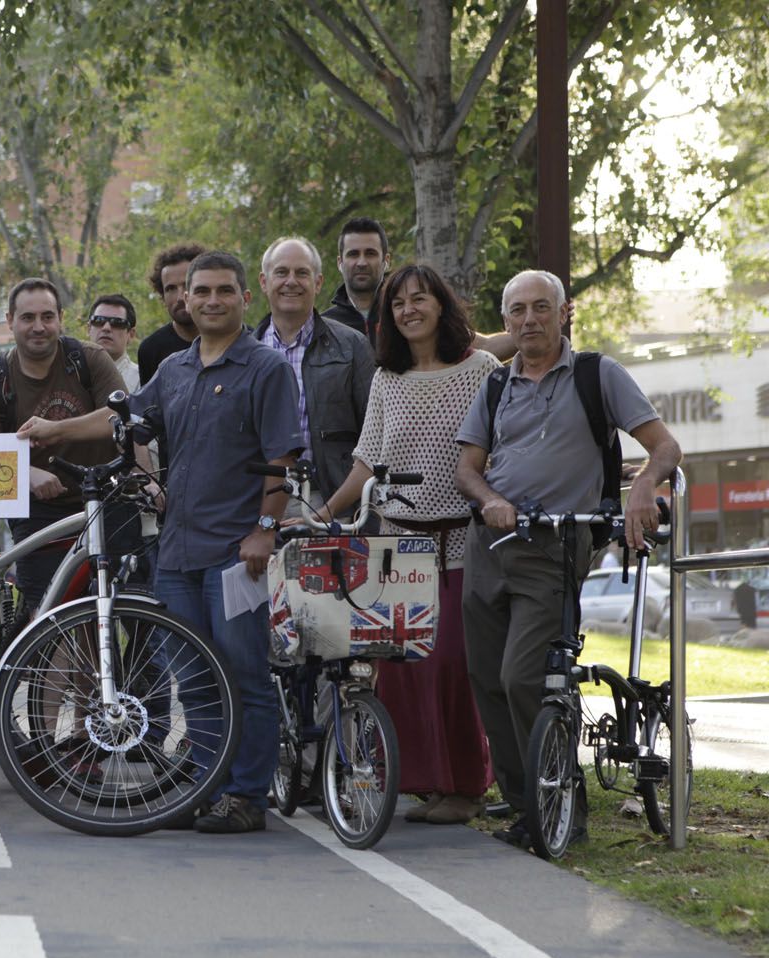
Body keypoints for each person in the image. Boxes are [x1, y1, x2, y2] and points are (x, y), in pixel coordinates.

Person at [19, 252, 302, 834]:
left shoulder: (266, 368)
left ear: (246, 298)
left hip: (235, 552)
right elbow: (120, 418)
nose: (211, 300)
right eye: (201, 291)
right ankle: (206, 784)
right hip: (176, 552)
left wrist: (265, 531)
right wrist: (54, 431)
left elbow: (283, 461)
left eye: (225, 290)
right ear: (186, 300)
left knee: (243, 673)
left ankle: (247, 795)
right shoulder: (173, 368)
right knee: (195, 678)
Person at [455, 269, 681, 847]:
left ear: (563, 313)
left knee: (523, 675)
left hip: (556, 546)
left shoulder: (596, 374)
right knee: (485, 678)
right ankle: (526, 801)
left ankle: (561, 806)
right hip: (489, 546)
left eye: (540, 308)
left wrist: (643, 485)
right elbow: (466, 470)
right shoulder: (496, 386)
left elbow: (664, 446)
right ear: (504, 322)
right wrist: (490, 500)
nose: (528, 320)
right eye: (516, 312)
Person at [318, 264, 499, 825]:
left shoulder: (482, 370)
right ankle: (422, 783)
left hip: (462, 540)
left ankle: (466, 788)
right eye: (398, 304)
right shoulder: (386, 378)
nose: (408, 310)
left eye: (419, 299)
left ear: (441, 305)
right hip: (397, 544)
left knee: (451, 664)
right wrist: (324, 514)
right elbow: (366, 462)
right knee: (400, 668)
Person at [0, 278, 140, 611]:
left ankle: (113, 665)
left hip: (106, 497)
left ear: (60, 318)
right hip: (39, 513)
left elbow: (121, 416)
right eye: (28, 318)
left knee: (122, 605)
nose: (38, 327)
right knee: (50, 611)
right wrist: (26, 473)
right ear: (10, 321)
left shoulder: (88, 358)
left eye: (47, 317)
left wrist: (56, 431)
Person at [254, 236, 374, 504]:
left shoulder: (352, 346)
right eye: (281, 272)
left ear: (318, 283)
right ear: (264, 282)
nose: (291, 281)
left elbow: (374, 434)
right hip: (256, 500)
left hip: (330, 498)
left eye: (302, 273)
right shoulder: (245, 352)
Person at [136, 242, 206, 386]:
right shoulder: (151, 350)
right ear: (162, 296)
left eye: (187, 285)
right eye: (171, 289)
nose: (181, 297)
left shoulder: (241, 339)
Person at [322, 217, 390, 339]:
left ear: (386, 261)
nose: (362, 263)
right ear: (340, 263)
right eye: (353, 254)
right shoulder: (324, 327)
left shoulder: (403, 317)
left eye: (370, 253)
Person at [86, 293, 140, 392]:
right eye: (99, 321)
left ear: (131, 334)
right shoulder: (70, 376)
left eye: (117, 323)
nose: (106, 328)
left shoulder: (143, 381)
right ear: (88, 329)